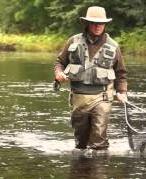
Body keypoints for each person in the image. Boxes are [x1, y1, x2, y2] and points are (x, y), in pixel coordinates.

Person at [54, 6, 128, 150]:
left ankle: (98, 169)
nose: (98, 26)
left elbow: (121, 73)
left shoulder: (113, 46)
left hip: (102, 97)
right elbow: (60, 62)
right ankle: (82, 171)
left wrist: (122, 92)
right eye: (94, 23)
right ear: (87, 23)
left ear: (105, 24)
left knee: (98, 141)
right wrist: (59, 74)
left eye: (101, 23)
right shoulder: (73, 41)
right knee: (80, 143)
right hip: (78, 98)